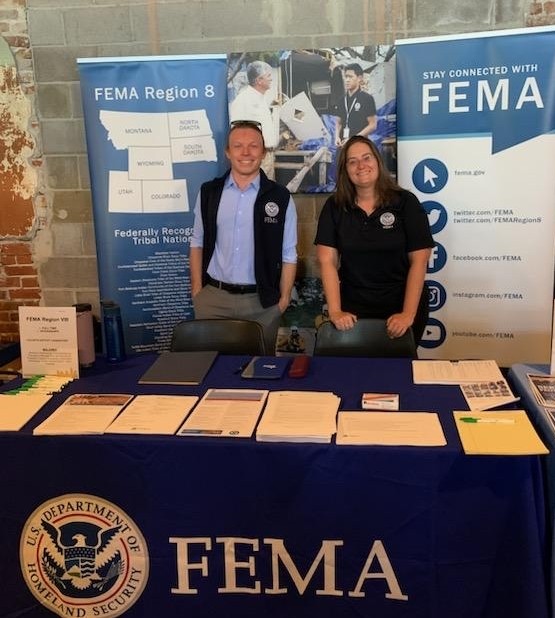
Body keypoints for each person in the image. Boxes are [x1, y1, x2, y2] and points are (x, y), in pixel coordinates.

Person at [190, 120, 297, 353]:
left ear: (264, 152)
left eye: (254, 146)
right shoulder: (209, 192)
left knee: (258, 372)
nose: (246, 152)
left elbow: (289, 253)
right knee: (210, 370)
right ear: (228, 152)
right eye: (238, 146)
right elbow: (197, 242)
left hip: (263, 304)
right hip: (213, 301)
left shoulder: (280, 197)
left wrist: (284, 299)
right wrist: (198, 290)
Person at [314, 135, 433, 344]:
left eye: (367, 158)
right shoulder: (334, 207)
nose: (361, 165)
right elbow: (327, 261)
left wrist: (407, 315)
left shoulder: (406, 202)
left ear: (378, 161)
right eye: (352, 161)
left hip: (401, 305)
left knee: (397, 373)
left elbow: (420, 260)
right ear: (345, 170)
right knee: (355, 373)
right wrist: (335, 311)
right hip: (354, 309)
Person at [229, 61, 278, 149]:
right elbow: (237, 133)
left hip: (267, 153)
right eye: (268, 76)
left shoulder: (262, 99)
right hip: (254, 154)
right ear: (259, 80)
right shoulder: (243, 100)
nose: (271, 79)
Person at [334, 63, 377, 147]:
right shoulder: (341, 100)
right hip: (343, 145)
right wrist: (336, 137)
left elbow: (372, 125)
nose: (347, 80)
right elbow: (338, 123)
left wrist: (354, 139)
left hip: (360, 144)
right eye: (345, 77)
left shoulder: (367, 98)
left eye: (350, 77)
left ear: (359, 78)